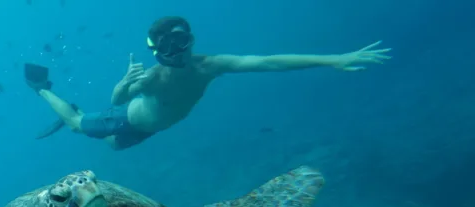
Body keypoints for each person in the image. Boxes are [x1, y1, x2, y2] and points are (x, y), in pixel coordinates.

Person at [26, 16, 392, 150]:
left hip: (155, 126)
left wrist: (334, 59)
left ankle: (78, 115)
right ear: (156, 52)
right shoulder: (153, 77)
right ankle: (43, 89)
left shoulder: (211, 66)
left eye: (180, 42)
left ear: (191, 40)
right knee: (78, 125)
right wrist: (123, 85)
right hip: (129, 118)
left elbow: (268, 62)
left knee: (112, 148)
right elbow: (119, 98)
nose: (177, 53)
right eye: (167, 47)